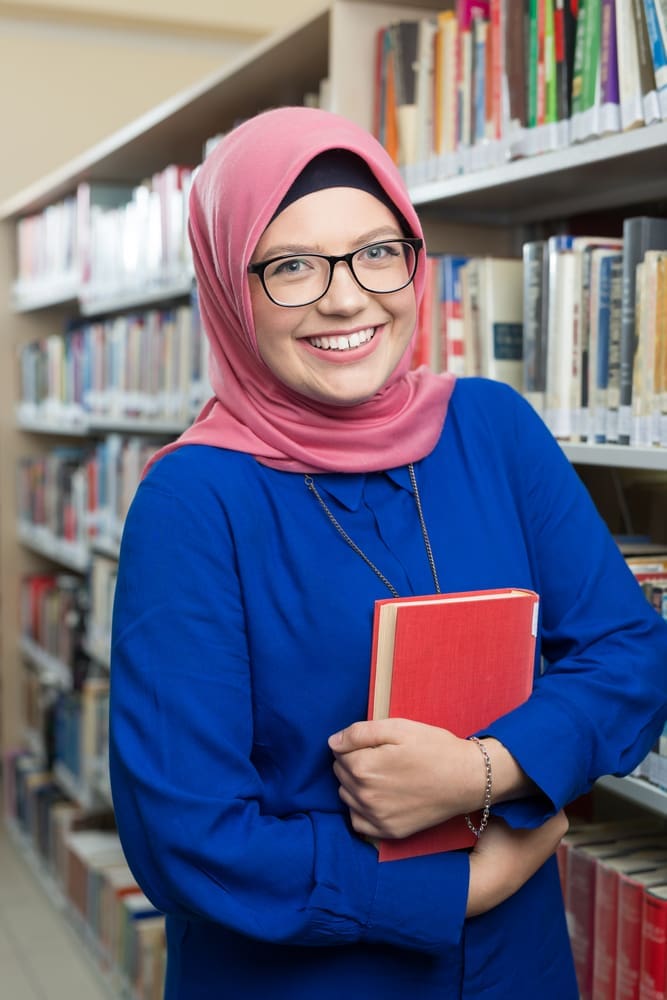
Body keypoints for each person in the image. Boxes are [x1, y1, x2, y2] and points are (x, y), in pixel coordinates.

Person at [109, 106, 667, 1000]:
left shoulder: (491, 428)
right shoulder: (192, 499)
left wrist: (482, 769)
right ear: (227, 287)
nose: (345, 296)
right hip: (308, 978)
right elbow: (187, 836)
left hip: (515, 967)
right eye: (291, 266)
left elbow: (628, 650)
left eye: (378, 251)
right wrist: (456, 885)